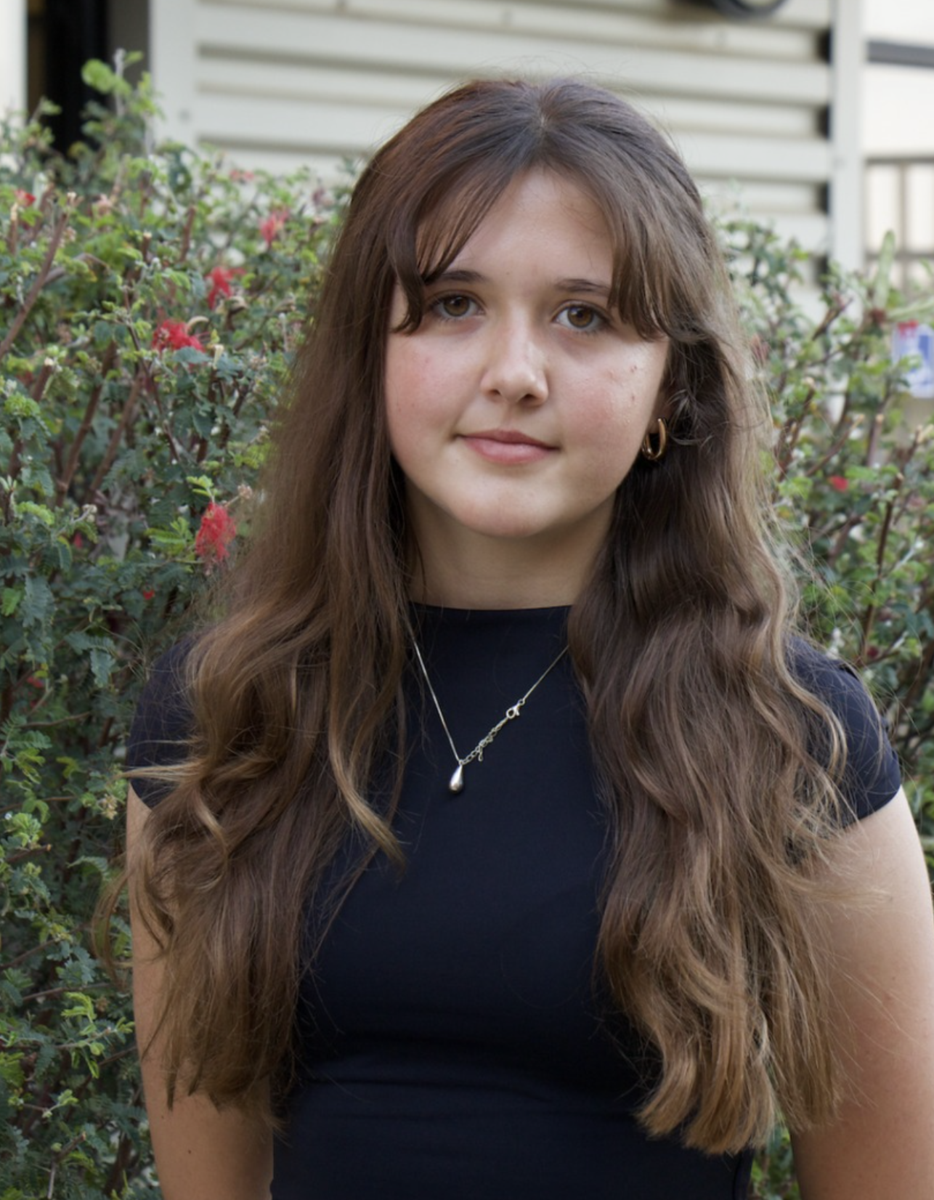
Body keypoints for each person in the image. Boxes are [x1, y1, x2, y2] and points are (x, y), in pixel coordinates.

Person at [123, 78, 934, 1200]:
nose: (514, 372)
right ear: (374, 352)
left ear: (668, 391)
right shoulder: (224, 721)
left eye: (584, 314)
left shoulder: (795, 741)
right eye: (453, 303)